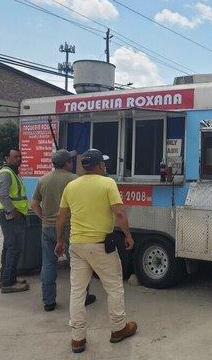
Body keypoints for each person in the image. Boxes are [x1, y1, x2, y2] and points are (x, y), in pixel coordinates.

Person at [54, 149, 137, 353]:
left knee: (77, 291)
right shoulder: (107, 183)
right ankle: (118, 328)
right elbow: (119, 213)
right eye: (104, 164)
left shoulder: (71, 186)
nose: (105, 167)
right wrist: (128, 235)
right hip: (101, 246)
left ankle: (77, 339)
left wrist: (59, 241)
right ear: (99, 166)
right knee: (114, 287)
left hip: (77, 246)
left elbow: (60, 217)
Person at [31, 149, 96, 312]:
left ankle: (48, 301)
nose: (72, 162)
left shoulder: (43, 180)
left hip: (47, 227)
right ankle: (83, 297)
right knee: (78, 264)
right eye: (71, 160)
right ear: (67, 163)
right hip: (69, 227)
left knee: (48, 264)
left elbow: (34, 204)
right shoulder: (74, 179)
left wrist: (43, 217)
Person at [0, 148, 30, 293]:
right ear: (7, 158)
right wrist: (13, 211)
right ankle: (8, 283)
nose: (19, 159)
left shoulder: (13, 172)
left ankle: (6, 278)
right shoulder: (6, 173)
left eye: (20, 156)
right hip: (11, 217)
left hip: (14, 216)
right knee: (14, 249)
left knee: (9, 248)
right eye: (15, 156)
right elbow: (2, 195)